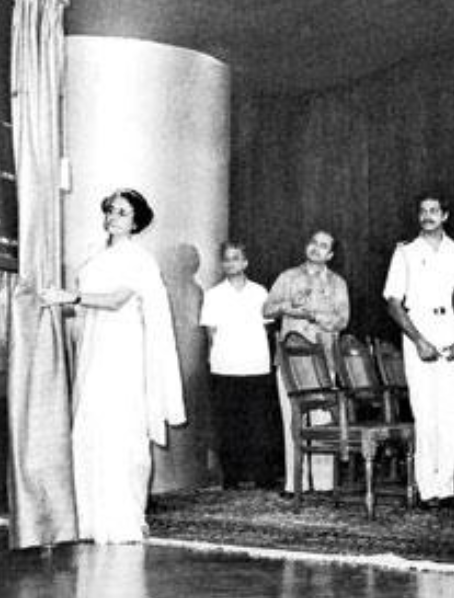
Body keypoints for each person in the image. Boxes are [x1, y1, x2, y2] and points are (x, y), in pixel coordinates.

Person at [40, 188, 185, 543]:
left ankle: (119, 520)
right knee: (89, 424)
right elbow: (87, 305)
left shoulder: (138, 259)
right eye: (109, 211)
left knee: (119, 430)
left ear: (136, 222)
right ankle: (87, 519)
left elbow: (118, 300)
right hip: (94, 345)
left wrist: (68, 297)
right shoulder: (95, 258)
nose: (112, 218)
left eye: (121, 212)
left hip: (122, 350)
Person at [384, 194, 454, 508]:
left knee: (449, 414)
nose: (428, 216)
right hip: (419, 338)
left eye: (434, 211)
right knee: (425, 414)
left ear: (445, 215)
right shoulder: (405, 252)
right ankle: (428, 489)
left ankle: (447, 488)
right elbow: (393, 303)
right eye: (423, 211)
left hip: (452, 336)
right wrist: (418, 340)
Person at [263, 230, 350, 495]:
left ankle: (323, 483)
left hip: (323, 359)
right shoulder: (287, 276)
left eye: (323, 246)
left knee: (322, 419)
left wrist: (315, 316)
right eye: (313, 243)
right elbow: (266, 310)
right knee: (292, 419)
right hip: (290, 361)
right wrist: (289, 305)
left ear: (330, 254)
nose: (316, 249)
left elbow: (342, 320)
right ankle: (295, 482)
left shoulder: (337, 283)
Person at [200, 242, 276, 490]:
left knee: (258, 423)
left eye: (236, 258)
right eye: (226, 259)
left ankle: (262, 477)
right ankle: (231, 477)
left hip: (256, 366)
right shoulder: (213, 295)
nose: (231, 263)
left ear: (245, 263)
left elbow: (267, 326)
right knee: (229, 425)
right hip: (225, 367)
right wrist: (220, 356)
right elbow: (211, 332)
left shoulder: (260, 292)